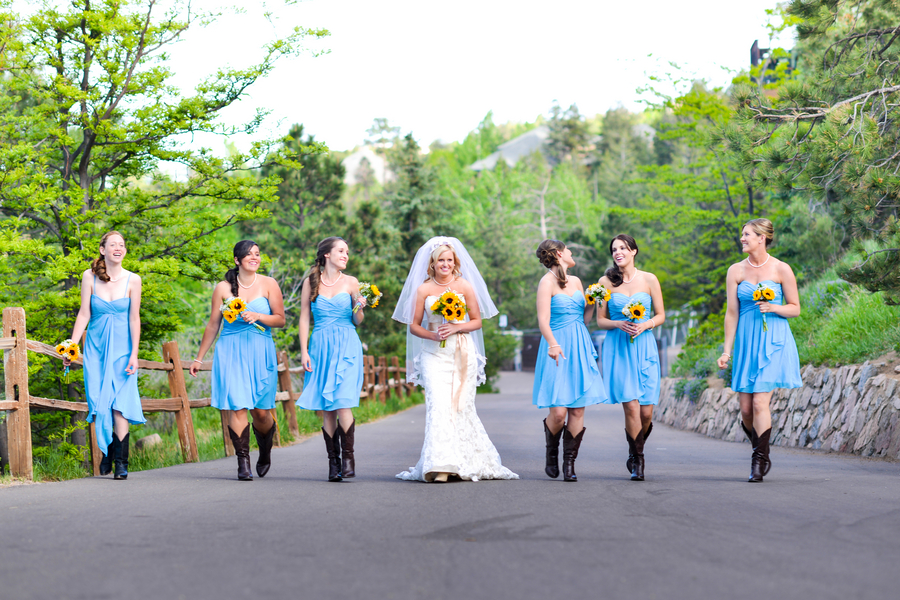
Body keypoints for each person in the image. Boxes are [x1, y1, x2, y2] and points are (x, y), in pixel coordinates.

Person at [393, 237, 518, 483]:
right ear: (432, 263)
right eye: (441, 260)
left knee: (460, 406)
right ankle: (440, 465)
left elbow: (477, 321)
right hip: (433, 354)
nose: (445, 264)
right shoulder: (424, 289)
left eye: (449, 260)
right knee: (438, 406)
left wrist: (456, 328)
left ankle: (463, 460)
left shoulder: (464, 286)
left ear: (455, 262)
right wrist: (432, 334)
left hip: (461, 352)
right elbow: (414, 326)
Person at [190, 240, 284, 481]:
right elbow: (213, 324)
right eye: (249, 254)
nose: (255, 257)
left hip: (260, 349)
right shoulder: (223, 288)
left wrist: (258, 315)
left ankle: (265, 447)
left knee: (261, 413)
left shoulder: (269, 284)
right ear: (237, 260)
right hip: (230, 350)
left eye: (257, 254)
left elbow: (280, 319)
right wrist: (199, 359)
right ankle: (243, 463)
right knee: (238, 406)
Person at [717, 218, 802, 482]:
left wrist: (774, 307)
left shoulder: (781, 269)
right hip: (746, 340)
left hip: (773, 340)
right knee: (745, 409)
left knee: (759, 401)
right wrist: (726, 351)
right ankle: (760, 449)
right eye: (742, 235)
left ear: (761, 238)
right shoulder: (735, 271)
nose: (742, 238)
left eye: (746, 235)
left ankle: (758, 462)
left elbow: (795, 308)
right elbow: (732, 314)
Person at [64, 231, 146, 479]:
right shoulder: (89, 277)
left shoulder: (134, 280)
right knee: (101, 402)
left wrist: (134, 354)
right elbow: (84, 314)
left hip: (123, 348)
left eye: (122, 244)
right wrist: (71, 345)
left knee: (120, 405)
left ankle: (121, 463)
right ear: (103, 250)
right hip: (96, 348)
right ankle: (109, 451)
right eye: (113, 245)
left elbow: (134, 318)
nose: (118, 248)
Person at [533, 240, 608, 482]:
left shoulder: (576, 281)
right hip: (557, 346)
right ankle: (551, 450)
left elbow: (584, 319)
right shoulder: (546, 283)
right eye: (568, 250)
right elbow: (543, 320)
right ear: (558, 254)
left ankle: (569, 464)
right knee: (558, 413)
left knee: (576, 408)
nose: (572, 252)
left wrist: (593, 302)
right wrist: (553, 344)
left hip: (579, 345)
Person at [296, 237, 366, 482]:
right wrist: (304, 351)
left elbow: (358, 320)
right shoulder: (311, 282)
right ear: (327, 255)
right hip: (321, 346)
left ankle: (348, 459)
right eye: (340, 250)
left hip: (347, 344)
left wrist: (359, 307)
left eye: (347, 251)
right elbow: (304, 318)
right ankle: (333, 463)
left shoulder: (351, 282)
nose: (346, 255)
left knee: (343, 401)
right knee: (327, 407)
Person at [596, 234, 665, 481]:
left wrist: (646, 324)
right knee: (632, 407)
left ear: (634, 251)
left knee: (646, 413)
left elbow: (661, 315)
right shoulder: (605, 282)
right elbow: (600, 320)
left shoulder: (649, 279)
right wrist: (617, 323)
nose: (618, 252)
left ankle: (634, 447)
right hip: (619, 348)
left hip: (645, 346)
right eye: (614, 249)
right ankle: (639, 461)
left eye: (623, 248)